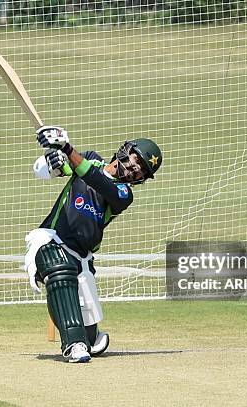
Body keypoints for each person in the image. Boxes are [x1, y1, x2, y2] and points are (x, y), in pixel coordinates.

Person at [23, 126, 162, 363]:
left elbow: (93, 178)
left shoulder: (123, 194)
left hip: (83, 258)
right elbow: (42, 171)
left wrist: (66, 148)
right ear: (124, 151)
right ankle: (73, 345)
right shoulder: (88, 159)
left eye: (141, 171)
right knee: (59, 269)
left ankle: (89, 338)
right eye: (136, 160)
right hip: (51, 239)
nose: (135, 169)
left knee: (90, 336)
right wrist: (53, 159)